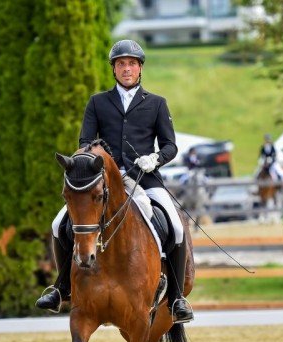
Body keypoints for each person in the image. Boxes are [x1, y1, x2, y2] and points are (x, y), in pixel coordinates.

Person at [35, 39, 193, 323]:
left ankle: (178, 297)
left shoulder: (156, 104)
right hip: (103, 180)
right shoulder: (98, 102)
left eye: (132, 64)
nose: (127, 69)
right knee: (59, 224)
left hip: (144, 178)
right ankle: (61, 288)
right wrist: (101, 165)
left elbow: (171, 146)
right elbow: (85, 142)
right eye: (121, 64)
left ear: (140, 68)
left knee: (175, 225)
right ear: (114, 69)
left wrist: (154, 159)